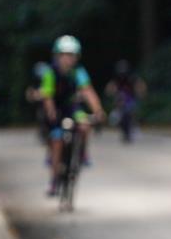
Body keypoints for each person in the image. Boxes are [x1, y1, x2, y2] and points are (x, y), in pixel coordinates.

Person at [40, 35, 105, 196]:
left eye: (72, 55)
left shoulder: (78, 72)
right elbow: (47, 96)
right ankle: (54, 179)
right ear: (58, 56)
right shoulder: (50, 73)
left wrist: (98, 110)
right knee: (57, 141)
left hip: (72, 108)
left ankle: (82, 152)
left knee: (85, 124)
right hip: (56, 109)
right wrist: (51, 111)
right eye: (64, 55)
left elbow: (87, 91)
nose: (68, 59)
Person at [104, 59, 147, 143]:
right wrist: (110, 92)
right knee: (119, 115)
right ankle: (124, 129)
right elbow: (110, 87)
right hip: (120, 99)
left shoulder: (132, 77)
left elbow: (140, 85)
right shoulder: (117, 78)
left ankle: (132, 126)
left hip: (130, 99)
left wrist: (141, 92)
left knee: (130, 112)